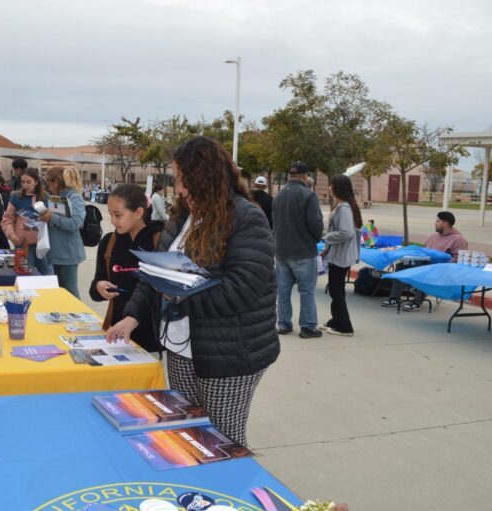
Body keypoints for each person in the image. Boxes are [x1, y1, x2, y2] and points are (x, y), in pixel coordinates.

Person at [107, 136, 279, 447]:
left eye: (184, 179)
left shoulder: (246, 218)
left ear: (205, 178)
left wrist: (180, 295)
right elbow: (154, 273)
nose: (180, 188)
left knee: (221, 440)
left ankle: (225, 493)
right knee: (188, 434)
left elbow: (243, 289)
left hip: (230, 353)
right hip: (180, 347)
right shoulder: (182, 215)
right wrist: (130, 318)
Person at [89, 184, 164, 354]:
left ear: (138, 213)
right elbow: (94, 289)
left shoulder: (159, 240)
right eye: (111, 215)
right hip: (116, 336)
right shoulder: (109, 242)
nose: (113, 221)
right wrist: (99, 286)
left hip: (153, 340)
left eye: (118, 215)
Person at [273, 161, 324, 338]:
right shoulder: (308, 195)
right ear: (305, 176)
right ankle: (308, 326)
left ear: (289, 175)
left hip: (281, 251)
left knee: (283, 291)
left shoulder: (278, 196)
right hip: (303, 250)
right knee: (307, 290)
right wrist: (317, 238)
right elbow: (315, 223)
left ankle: (284, 324)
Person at [382, 211, 469, 311]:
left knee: (423, 270)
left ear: (445, 223)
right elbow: (424, 250)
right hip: (424, 263)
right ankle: (395, 298)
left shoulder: (458, 239)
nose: (435, 223)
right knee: (401, 265)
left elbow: (459, 259)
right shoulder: (434, 236)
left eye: (437, 221)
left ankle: (416, 302)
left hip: (440, 269)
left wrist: (440, 262)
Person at [320, 175, 362, 336]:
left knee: (336, 290)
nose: (329, 188)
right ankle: (336, 319)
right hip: (337, 253)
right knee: (335, 288)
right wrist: (327, 248)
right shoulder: (342, 205)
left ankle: (345, 326)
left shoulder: (344, 207)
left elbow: (346, 232)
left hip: (341, 256)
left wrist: (327, 237)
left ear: (338, 188)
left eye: (331, 186)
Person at [39, 166, 86, 298]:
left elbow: (75, 224)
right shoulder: (55, 197)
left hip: (68, 255)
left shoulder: (74, 198)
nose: (48, 187)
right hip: (55, 254)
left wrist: (52, 217)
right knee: (58, 294)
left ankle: (79, 317)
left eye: (48, 182)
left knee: (70, 293)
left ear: (56, 182)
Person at [1, 168, 54, 274]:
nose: (25, 185)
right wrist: (11, 235)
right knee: (26, 275)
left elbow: (52, 219)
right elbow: (7, 219)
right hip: (23, 245)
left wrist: (48, 216)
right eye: (23, 182)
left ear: (36, 182)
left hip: (44, 245)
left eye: (28, 182)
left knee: (47, 275)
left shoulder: (46, 197)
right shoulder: (16, 197)